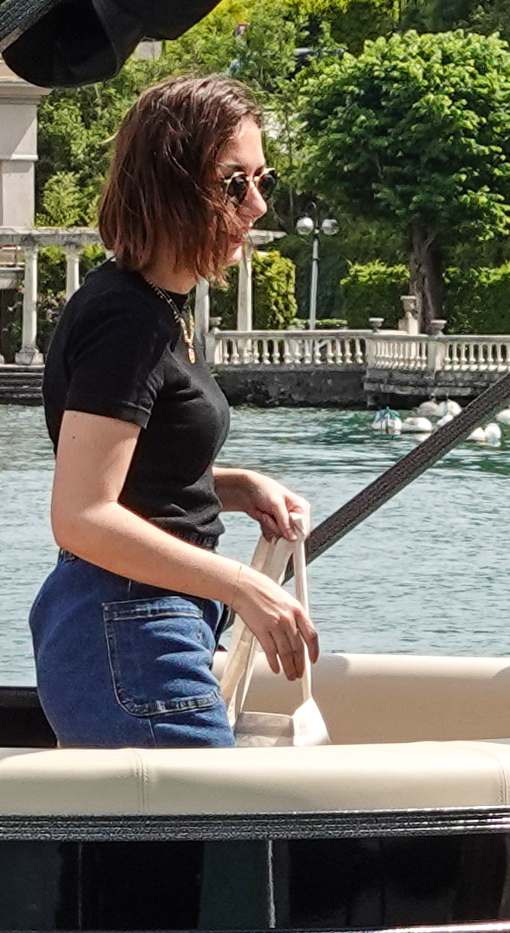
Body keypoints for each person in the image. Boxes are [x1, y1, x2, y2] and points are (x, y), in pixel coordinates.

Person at [33, 76, 315, 745]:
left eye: (260, 180)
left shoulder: (155, 310)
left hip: (144, 621)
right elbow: (81, 515)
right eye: (233, 184)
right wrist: (245, 586)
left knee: (177, 845)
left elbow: (131, 483)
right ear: (171, 186)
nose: (257, 206)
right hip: (131, 623)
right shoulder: (127, 320)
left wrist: (232, 487)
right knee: (192, 842)